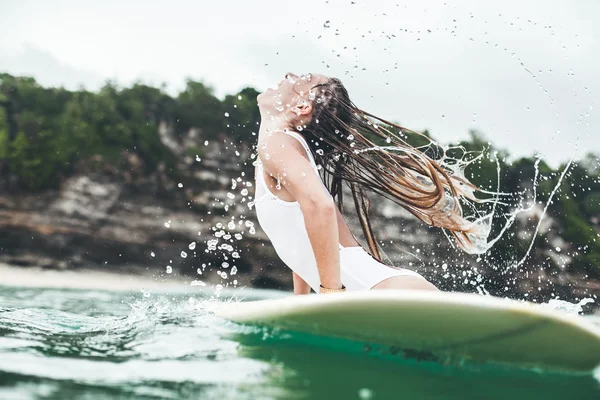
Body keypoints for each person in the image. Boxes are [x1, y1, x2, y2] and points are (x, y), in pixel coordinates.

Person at [254, 72, 486, 295]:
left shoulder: (276, 143)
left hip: (388, 295)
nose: (288, 74)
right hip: (386, 292)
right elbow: (305, 225)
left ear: (302, 107)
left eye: (303, 78)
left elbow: (320, 207)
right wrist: (301, 301)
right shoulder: (285, 148)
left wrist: (331, 297)